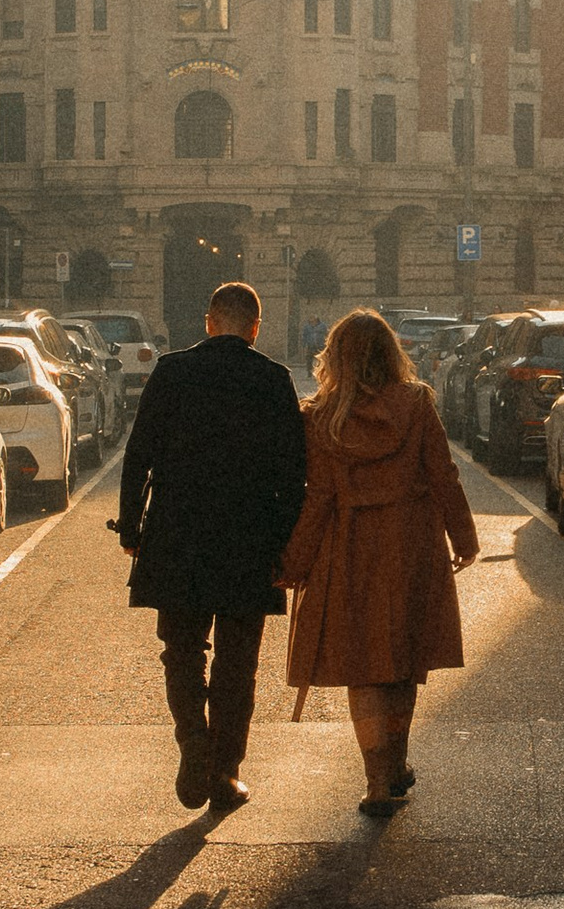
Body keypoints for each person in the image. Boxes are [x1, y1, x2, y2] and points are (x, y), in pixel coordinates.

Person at [115, 279, 308, 816]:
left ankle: (191, 743)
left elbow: (139, 455)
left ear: (208, 321)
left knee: (181, 650)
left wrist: (132, 528)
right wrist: (286, 542)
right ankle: (225, 771)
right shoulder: (273, 379)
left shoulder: (172, 371)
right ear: (254, 328)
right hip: (250, 540)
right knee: (236, 662)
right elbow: (295, 474)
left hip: (178, 535)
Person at [281, 307, 479, 816]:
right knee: (402, 662)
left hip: (348, 548)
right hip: (411, 543)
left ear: (337, 357)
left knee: (364, 668)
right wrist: (464, 536)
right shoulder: (416, 404)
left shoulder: (320, 417)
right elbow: (444, 474)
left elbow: (318, 496)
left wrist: (294, 561)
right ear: (391, 353)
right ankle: (396, 765)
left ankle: (376, 779)